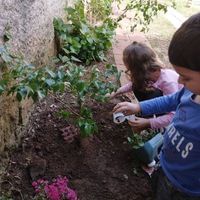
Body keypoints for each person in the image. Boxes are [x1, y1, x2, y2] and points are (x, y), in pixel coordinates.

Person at [113, 12, 200, 199]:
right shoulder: (190, 91)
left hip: (186, 190)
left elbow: (170, 112)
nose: (181, 81)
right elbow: (170, 100)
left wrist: (147, 123)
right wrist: (139, 108)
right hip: (165, 168)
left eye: (186, 77)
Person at [110, 41, 182, 132]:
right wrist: (117, 92)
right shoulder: (149, 74)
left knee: (164, 120)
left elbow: (174, 115)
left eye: (130, 70)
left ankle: (161, 125)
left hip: (179, 111)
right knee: (137, 86)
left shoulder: (168, 83)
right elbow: (132, 85)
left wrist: (150, 122)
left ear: (137, 71)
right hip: (164, 101)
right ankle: (149, 116)